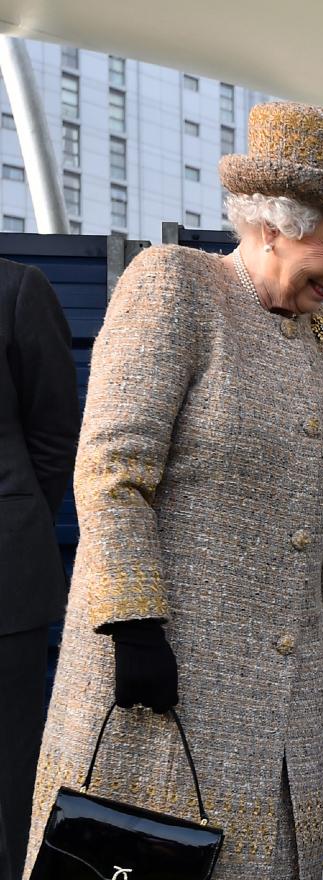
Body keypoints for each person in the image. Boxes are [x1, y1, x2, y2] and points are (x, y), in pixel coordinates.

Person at [25, 102, 323, 880]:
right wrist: (133, 626)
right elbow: (112, 469)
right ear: (271, 225)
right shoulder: (175, 285)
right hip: (166, 674)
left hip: (289, 682)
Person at [0, 260, 79, 880]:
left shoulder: (17, 290)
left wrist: (16, 524)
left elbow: (54, 435)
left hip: (4, 589)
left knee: (8, 774)